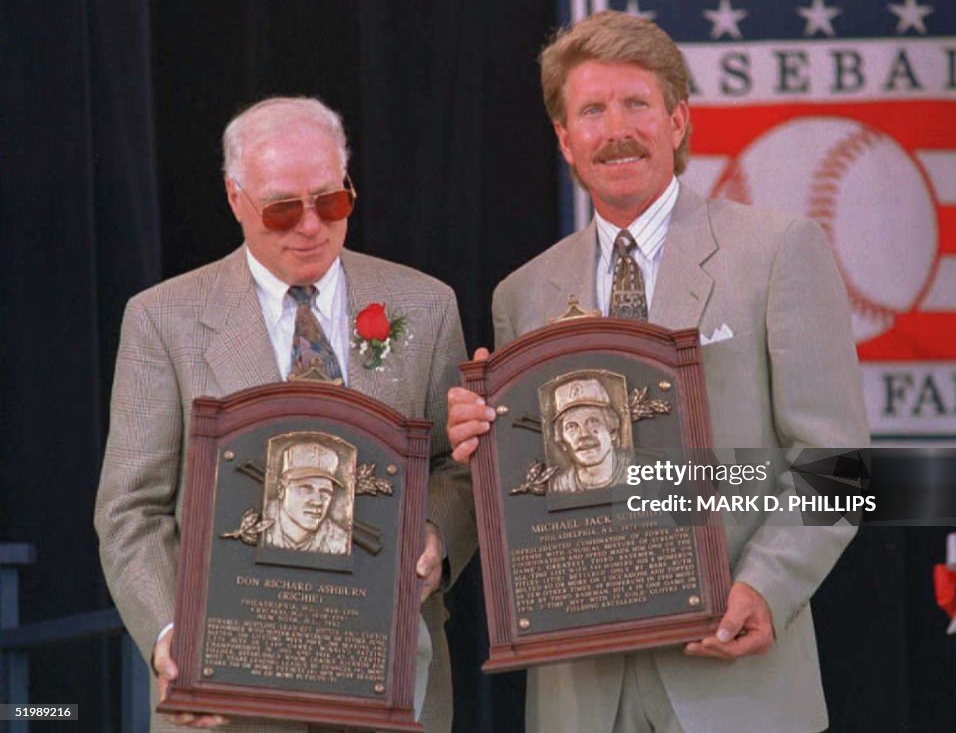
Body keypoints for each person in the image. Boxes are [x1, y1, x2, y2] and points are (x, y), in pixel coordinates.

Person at [446, 11, 869, 733]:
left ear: (677, 121)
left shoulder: (775, 253)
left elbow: (841, 466)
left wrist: (766, 587)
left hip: (736, 679)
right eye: (592, 110)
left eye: (637, 104)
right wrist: (484, 444)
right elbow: (533, 490)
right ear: (565, 139)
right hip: (579, 695)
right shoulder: (521, 295)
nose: (617, 129)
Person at [96, 96, 474, 732]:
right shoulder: (163, 319)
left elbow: (456, 465)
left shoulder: (426, 304)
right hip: (229, 688)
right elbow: (131, 509)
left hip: (390, 680)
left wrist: (436, 535)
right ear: (235, 198)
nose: (310, 225)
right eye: (281, 208)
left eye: (331, 201)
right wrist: (170, 632)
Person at [262, 441, 350, 555]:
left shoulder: (340, 543)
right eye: (306, 489)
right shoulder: (257, 526)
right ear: (281, 489)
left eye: (325, 492)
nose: (317, 502)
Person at [548, 377, 632, 493]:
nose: (584, 434)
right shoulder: (558, 487)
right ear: (562, 442)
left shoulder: (640, 472)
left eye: (593, 422)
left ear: (612, 431)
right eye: (571, 427)